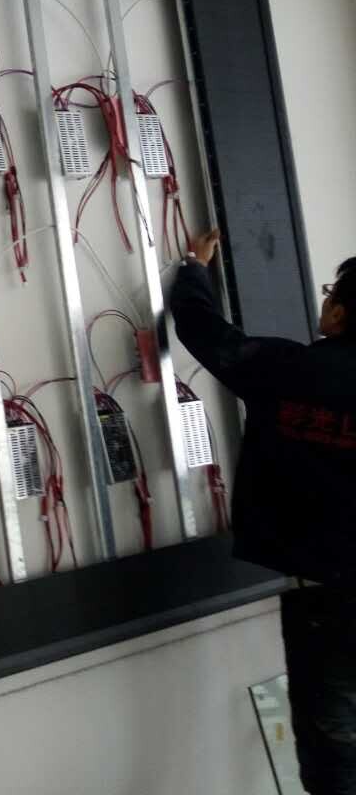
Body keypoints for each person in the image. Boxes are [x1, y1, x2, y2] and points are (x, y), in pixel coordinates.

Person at [171, 229, 356, 795]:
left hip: (326, 597)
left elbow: (207, 333)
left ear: (340, 313)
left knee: (333, 748)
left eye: (331, 294)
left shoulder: (291, 371)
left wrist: (193, 268)